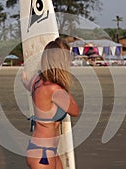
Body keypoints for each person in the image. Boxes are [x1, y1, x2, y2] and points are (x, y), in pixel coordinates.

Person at [22, 38, 79, 169]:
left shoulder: (37, 81)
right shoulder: (55, 89)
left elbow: (27, 84)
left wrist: (24, 79)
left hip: (48, 151)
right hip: (43, 154)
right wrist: (64, 85)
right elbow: (75, 110)